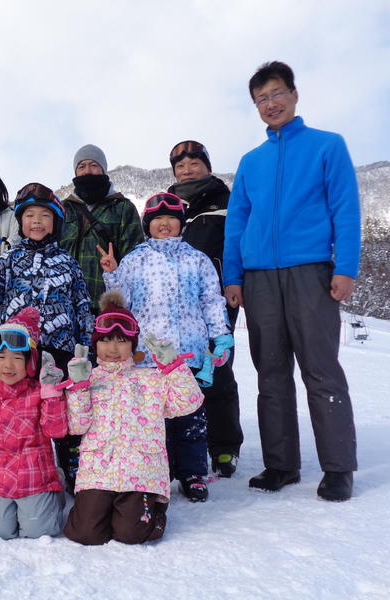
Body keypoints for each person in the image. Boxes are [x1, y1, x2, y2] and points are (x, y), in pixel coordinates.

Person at [223, 61, 360, 502]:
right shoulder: (251, 162)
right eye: (261, 98)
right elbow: (237, 223)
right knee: (271, 372)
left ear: (294, 94)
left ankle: (338, 467)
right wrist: (233, 276)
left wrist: (346, 267)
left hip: (310, 271)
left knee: (321, 369)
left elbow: (345, 208)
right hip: (259, 278)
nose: (271, 103)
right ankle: (281, 464)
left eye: (277, 93)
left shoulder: (327, 146)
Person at [100, 192, 232, 502]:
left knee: (189, 416)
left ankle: (192, 473)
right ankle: (158, 471)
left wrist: (221, 334)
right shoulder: (135, 259)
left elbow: (211, 299)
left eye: (171, 218)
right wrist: (112, 273)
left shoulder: (197, 259)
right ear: (147, 224)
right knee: (154, 418)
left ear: (181, 224)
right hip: (148, 356)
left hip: (189, 352)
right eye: (157, 219)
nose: (164, 224)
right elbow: (122, 304)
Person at [0, 181, 93, 494]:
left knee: (63, 410)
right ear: (20, 222)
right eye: (29, 216)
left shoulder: (68, 262)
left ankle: (73, 466)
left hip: (61, 349)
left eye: (44, 215)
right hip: (19, 350)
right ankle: (20, 470)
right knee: (22, 412)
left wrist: (85, 347)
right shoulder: (9, 259)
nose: (36, 221)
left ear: (55, 222)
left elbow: (81, 304)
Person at [63, 291, 204, 545]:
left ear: (133, 345)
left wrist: (173, 367)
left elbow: (189, 402)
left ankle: (153, 511)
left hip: (141, 473)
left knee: (130, 533)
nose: (113, 348)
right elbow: (77, 425)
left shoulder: (150, 379)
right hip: (97, 471)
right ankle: (103, 510)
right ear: (95, 344)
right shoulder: (89, 379)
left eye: (121, 341)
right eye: (105, 340)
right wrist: (78, 387)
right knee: (84, 533)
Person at [167, 140, 243, 477]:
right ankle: (184, 446)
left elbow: (238, 245)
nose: (187, 170)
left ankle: (224, 445)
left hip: (216, 299)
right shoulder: (169, 205)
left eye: (194, 163)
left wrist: (235, 281)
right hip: (177, 304)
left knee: (218, 369)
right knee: (181, 372)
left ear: (207, 167)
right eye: (180, 166)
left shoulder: (227, 201)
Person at [0, 307, 68, 539]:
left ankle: (54, 491)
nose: (8, 365)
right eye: (1, 357)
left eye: (17, 358)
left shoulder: (40, 392)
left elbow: (56, 430)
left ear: (30, 361)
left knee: (40, 530)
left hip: (35, 479)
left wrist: (51, 394)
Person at [60, 144, 143, 314]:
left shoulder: (123, 208)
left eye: (93, 165)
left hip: (107, 307)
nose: (87, 171)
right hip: (65, 305)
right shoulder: (63, 209)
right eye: (81, 166)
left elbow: (135, 262)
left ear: (103, 169)